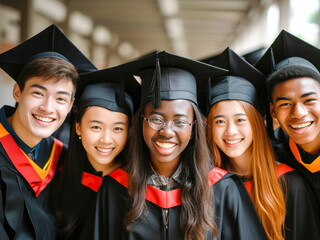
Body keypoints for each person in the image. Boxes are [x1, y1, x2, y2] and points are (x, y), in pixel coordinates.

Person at [94, 51, 267, 239]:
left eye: (180, 121)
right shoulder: (115, 189)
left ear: (194, 127)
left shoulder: (223, 189)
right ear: (141, 121)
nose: (167, 131)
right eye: (156, 119)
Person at [202, 47, 320, 240]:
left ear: (259, 123)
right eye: (220, 121)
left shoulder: (289, 184)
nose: (231, 131)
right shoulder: (207, 183)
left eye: (240, 120)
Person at [256, 30, 320, 240]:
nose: (298, 113)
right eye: (285, 104)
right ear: (273, 111)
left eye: (309, 100)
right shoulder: (278, 149)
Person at [0, 24, 96, 239]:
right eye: (38, 93)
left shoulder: (63, 159)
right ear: (18, 92)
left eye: (60, 98)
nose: (47, 107)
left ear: (70, 106)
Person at [52, 66, 140, 239]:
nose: (106, 139)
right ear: (78, 127)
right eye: (96, 127)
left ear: (129, 131)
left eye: (117, 128)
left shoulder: (135, 188)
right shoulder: (57, 175)